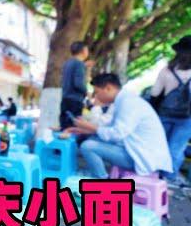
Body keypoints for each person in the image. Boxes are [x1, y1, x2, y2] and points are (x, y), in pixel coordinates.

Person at [67, 73, 172, 179]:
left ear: (108, 88)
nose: (96, 96)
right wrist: (84, 130)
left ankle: (102, 181)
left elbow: (117, 134)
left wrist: (89, 127)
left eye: (97, 92)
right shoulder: (125, 100)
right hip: (138, 151)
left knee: (88, 146)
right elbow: (111, 128)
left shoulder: (128, 103)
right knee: (94, 139)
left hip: (141, 157)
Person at [149, 36, 191, 186]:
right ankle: (167, 180)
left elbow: (155, 94)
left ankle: (155, 175)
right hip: (187, 119)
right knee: (176, 148)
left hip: (164, 114)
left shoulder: (167, 70)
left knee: (160, 145)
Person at [60, 41, 89, 129]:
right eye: (87, 50)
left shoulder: (67, 63)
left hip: (65, 99)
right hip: (75, 101)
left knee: (64, 127)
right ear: (83, 51)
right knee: (72, 128)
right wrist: (86, 92)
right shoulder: (79, 64)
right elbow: (78, 84)